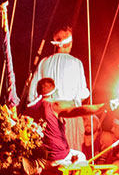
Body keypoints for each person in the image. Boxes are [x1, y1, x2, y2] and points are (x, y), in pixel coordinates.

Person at [26, 28, 94, 156]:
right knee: (72, 156)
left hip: (46, 116)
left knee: (47, 157)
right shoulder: (75, 63)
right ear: (70, 44)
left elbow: (31, 96)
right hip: (68, 114)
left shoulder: (43, 62)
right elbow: (83, 93)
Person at [22, 77, 104, 165]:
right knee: (82, 157)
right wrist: (103, 107)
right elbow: (82, 110)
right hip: (59, 157)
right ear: (54, 93)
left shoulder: (29, 110)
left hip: (41, 159)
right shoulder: (54, 106)